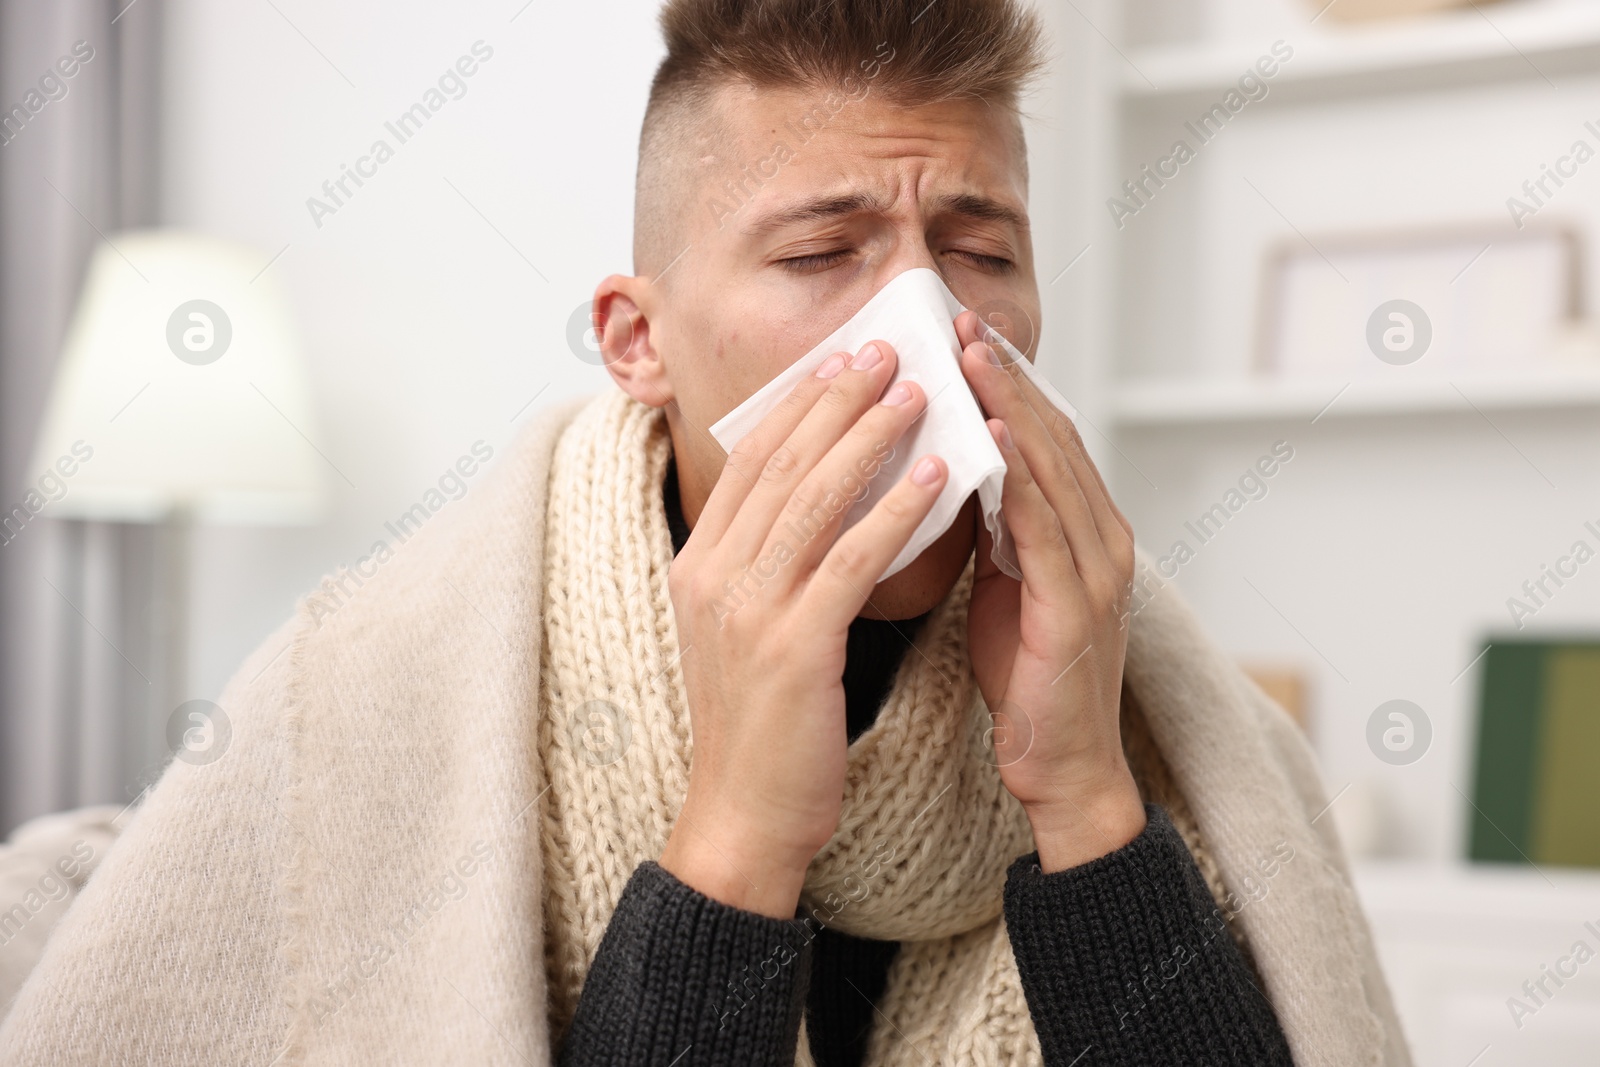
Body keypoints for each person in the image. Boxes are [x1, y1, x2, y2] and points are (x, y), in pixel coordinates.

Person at [0, 0, 1412, 1064]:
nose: (926, 326)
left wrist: (1087, 793)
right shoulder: (376, 675)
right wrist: (740, 830)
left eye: (981, 254)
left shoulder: (1170, 705)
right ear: (639, 342)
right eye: (819, 256)